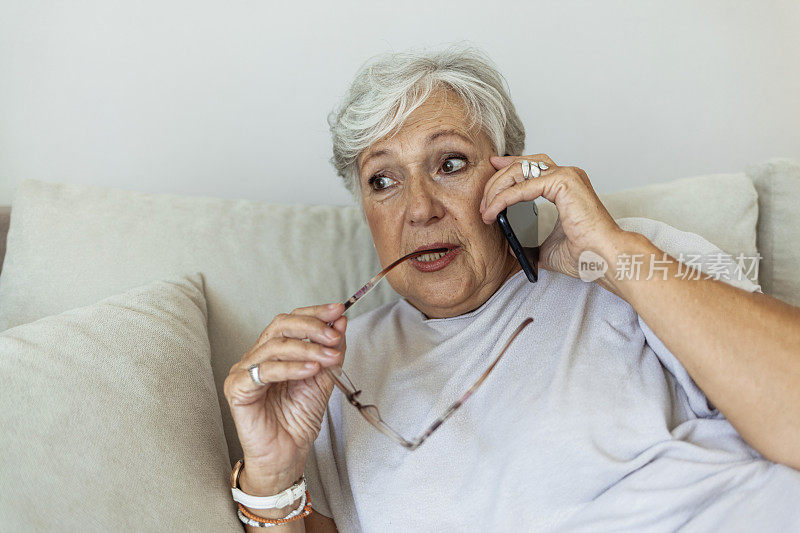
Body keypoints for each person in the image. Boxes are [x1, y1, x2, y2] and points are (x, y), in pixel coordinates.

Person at [223, 45, 800, 532]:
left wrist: (616, 254)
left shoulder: (627, 261)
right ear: (365, 210)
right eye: (383, 180)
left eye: (450, 163)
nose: (420, 208)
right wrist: (272, 477)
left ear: (511, 179)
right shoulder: (331, 373)